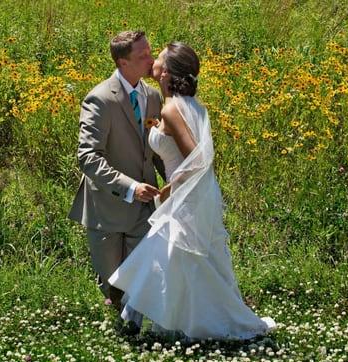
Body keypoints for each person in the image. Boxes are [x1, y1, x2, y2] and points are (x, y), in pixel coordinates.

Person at [108, 42, 276, 340]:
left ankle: (160, 319)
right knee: (180, 259)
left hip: (185, 194)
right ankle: (161, 318)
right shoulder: (188, 106)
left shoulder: (172, 108)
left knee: (169, 254)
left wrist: (169, 190)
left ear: (167, 71)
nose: (152, 62)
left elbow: (197, 158)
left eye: (157, 58)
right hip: (193, 193)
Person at [68, 31, 166, 333]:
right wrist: (129, 187)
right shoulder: (99, 98)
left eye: (150, 52)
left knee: (139, 273)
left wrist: (179, 179)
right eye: (143, 56)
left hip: (145, 206)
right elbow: (88, 157)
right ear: (123, 62)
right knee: (111, 279)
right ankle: (117, 310)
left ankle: (133, 327)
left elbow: (156, 149)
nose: (151, 59)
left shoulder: (152, 97)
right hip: (108, 206)